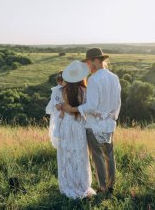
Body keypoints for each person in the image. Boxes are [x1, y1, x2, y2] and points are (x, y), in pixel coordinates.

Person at [63, 48, 121, 194]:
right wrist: (112, 118)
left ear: (96, 61)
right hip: (109, 123)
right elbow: (118, 102)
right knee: (109, 155)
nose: (88, 66)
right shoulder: (114, 77)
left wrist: (72, 109)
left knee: (98, 157)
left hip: (94, 125)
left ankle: (102, 188)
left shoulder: (94, 79)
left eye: (89, 63)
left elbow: (91, 106)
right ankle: (111, 185)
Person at [50, 60, 96, 199]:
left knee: (66, 153)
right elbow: (89, 109)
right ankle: (82, 184)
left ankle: (68, 183)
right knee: (80, 153)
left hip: (65, 124)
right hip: (79, 124)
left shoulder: (60, 91)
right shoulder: (85, 91)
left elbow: (54, 108)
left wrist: (61, 108)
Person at [46, 71, 65, 148]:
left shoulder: (67, 89)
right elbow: (55, 101)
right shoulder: (56, 90)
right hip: (58, 112)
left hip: (66, 110)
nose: (60, 83)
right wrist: (57, 104)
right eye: (59, 81)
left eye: (61, 81)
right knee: (58, 126)